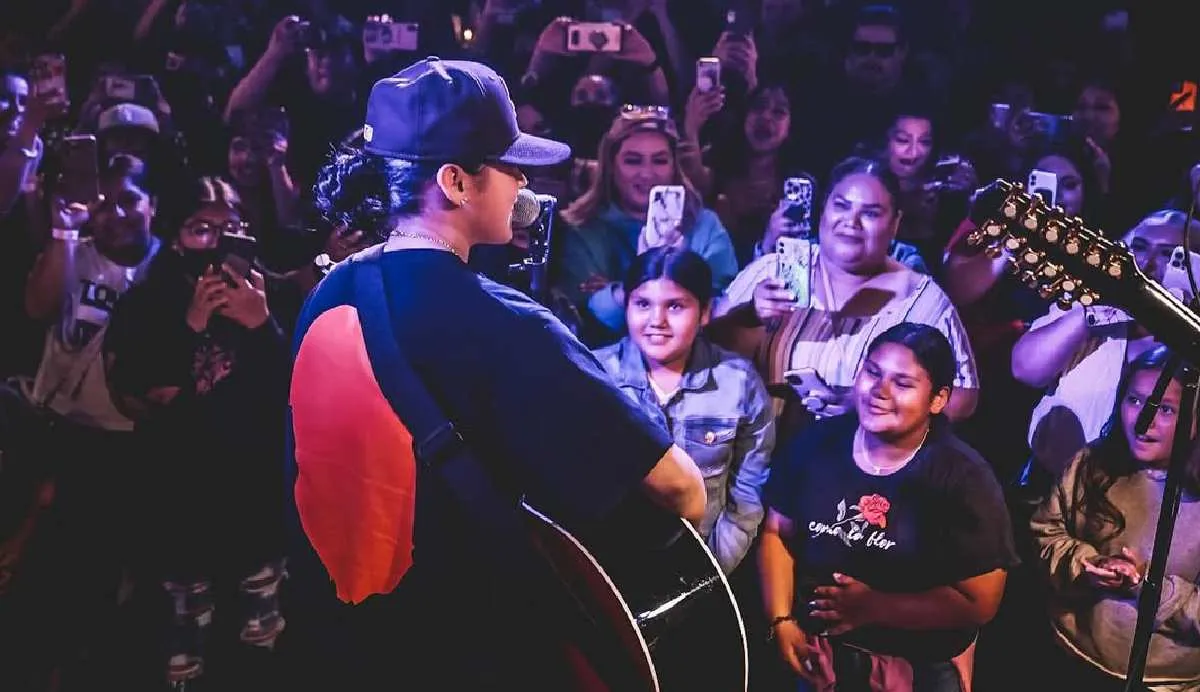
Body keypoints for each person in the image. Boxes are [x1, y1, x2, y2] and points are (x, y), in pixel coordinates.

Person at [285, 57, 706, 691]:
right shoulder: (501, 322)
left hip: (336, 642)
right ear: (456, 181)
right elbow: (683, 493)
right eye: (509, 164)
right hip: (462, 653)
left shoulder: (331, 292)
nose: (522, 181)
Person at [760, 323, 1017, 691]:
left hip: (915, 668)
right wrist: (781, 621)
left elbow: (980, 603)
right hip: (821, 656)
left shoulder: (963, 479)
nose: (879, 391)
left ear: (938, 399)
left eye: (903, 383)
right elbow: (777, 532)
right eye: (873, 372)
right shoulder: (818, 443)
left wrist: (877, 606)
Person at [594, 247, 774, 575]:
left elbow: (748, 492)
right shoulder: (596, 376)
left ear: (705, 312)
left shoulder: (737, 382)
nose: (657, 321)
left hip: (705, 564)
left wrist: (708, 570)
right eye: (643, 304)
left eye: (675, 306)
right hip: (609, 563)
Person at [1031, 345, 1200, 691]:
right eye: (1135, 400)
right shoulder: (1093, 463)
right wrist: (1088, 565)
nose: (1143, 420)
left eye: (1165, 409)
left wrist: (1146, 585)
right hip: (1070, 656)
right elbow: (1045, 534)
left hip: (1162, 682)